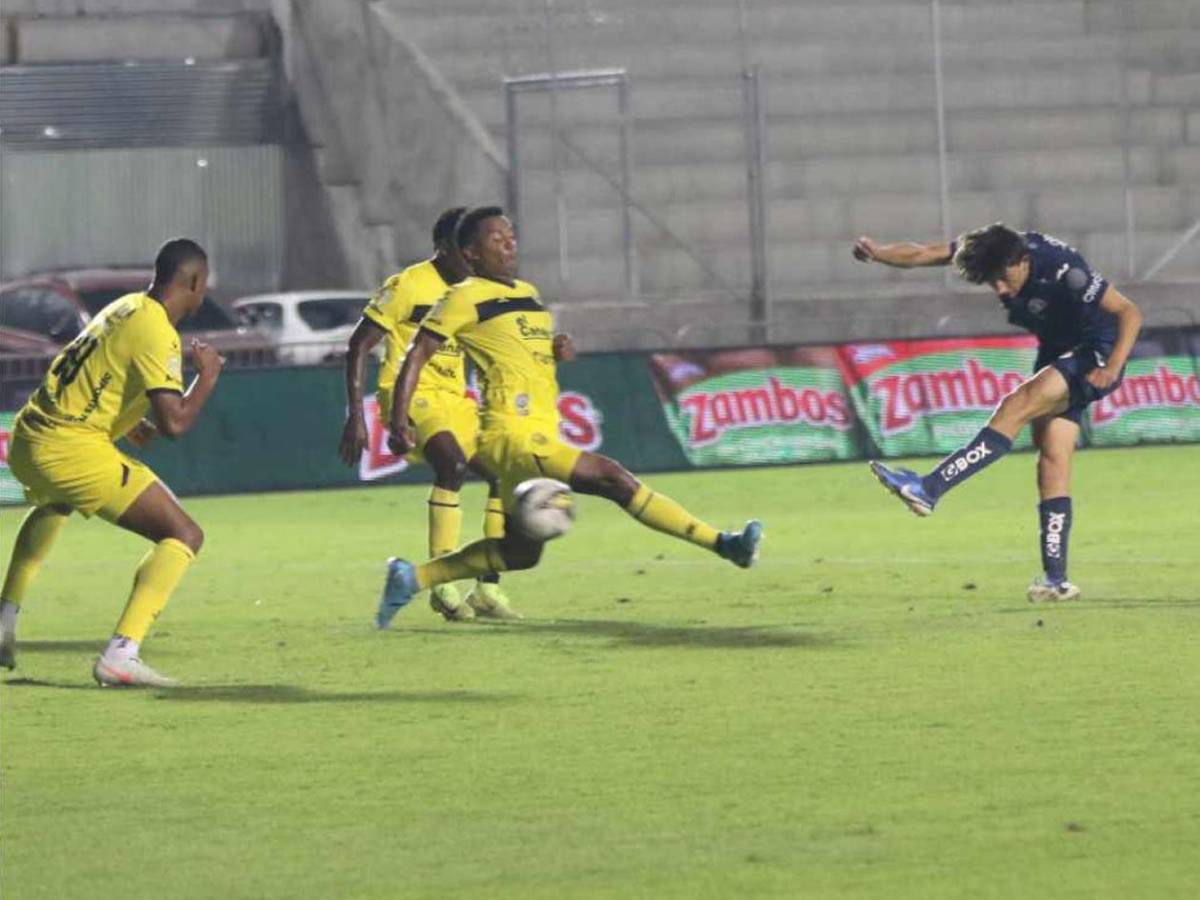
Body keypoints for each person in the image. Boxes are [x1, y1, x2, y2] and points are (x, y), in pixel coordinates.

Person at [374, 206, 762, 627]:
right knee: (613, 477)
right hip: (513, 434)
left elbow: (519, 355)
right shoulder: (463, 297)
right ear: (471, 254)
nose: (508, 243)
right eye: (495, 238)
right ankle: (725, 545)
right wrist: (397, 420)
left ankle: (412, 577)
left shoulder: (527, 292)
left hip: (535, 431)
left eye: (510, 235)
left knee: (521, 553)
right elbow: (418, 354)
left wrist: (553, 350)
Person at [853, 223, 1143, 601]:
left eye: (1003, 279)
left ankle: (930, 488)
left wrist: (1112, 367)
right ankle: (1056, 580)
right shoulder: (993, 248)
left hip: (1096, 350)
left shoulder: (1063, 272)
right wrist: (879, 252)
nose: (1001, 290)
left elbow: (1128, 312)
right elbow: (927, 253)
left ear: (1022, 260)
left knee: (1016, 406)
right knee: (1052, 457)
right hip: (1058, 350)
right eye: (991, 282)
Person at [0, 238, 223, 686]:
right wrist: (208, 377)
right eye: (204, 285)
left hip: (30, 436)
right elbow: (175, 424)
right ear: (194, 281)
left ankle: (4, 619)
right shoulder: (158, 330)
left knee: (55, 506)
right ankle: (122, 654)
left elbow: (99, 374)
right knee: (183, 534)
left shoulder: (126, 307)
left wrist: (127, 421)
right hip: (69, 448)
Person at [339, 207, 521, 621]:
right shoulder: (408, 285)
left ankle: (487, 590)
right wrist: (357, 415)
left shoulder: (476, 291)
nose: (472, 259)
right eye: (465, 251)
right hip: (411, 395)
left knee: (503, 476)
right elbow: (359, 345)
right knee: (452, 466)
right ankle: (442, 583)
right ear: (444, 249)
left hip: (458, 400)